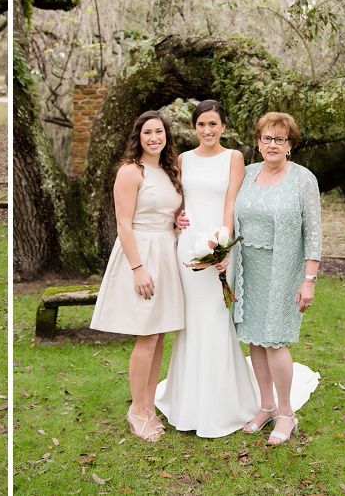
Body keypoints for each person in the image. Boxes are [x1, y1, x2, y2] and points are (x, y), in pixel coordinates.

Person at [155, 100, 258, 438]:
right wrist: (175, 218)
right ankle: (186, 400)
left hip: (218, 245)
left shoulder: (234, 158)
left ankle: (222, 404)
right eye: (202, 124)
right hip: (187, 244)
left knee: (215, 316)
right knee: (190, 320)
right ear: (194, 127)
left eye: (213, 124)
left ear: (223, 126)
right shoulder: (183, 159)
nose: (208, 130)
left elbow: (231, 202)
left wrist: (224, 246)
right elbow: (176, 198)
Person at [90, 111, 186, 441]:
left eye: (159, 132)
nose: (154, 138)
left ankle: (148, 405)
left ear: (166, 136)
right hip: (142, 253)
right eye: (148, 132)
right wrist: (137, 268)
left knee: (159, 333)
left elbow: (169, 213)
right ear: (138, 137)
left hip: (167, 251)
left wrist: (178, 223)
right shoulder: (131, 172)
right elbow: (123, 224)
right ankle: (135, 409)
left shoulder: (169, 171)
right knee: (146, 334)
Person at [232, 112, 322, 446]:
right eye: (267, 138)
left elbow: (313, 232)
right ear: (257, 141)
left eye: (279, 139)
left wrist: (308, 278)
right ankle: (266, 405)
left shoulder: (303, 179)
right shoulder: (247, 173)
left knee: (276, 340)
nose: (272, 144)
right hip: (248, 270)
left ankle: (286, 412)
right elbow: (228, 210)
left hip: (282, 269)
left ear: (290, 145)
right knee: (255, 338)